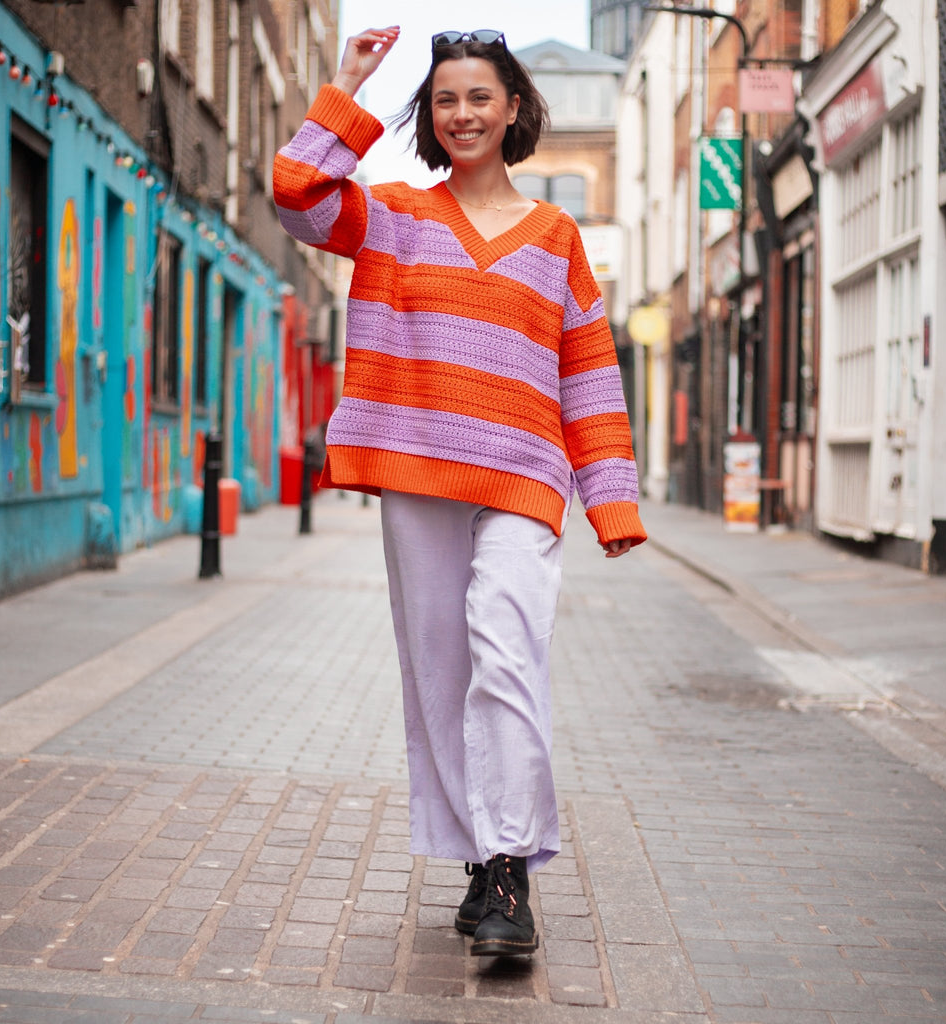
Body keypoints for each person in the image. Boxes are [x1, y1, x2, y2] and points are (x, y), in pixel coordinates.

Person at [273, 26, 646, 958]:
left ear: (513, 108)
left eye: (480, 97)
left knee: (508, 657)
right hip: (420, 472)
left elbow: (590, 375)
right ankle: (482, 860)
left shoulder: (558, 237)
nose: (463, 113)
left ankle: (511, 871)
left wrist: (612, 498)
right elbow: (298, 196)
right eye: (446, 100)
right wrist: (349, 83)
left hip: (523, 478)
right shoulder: (394, 215)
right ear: (431, 118)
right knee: (438, 672)